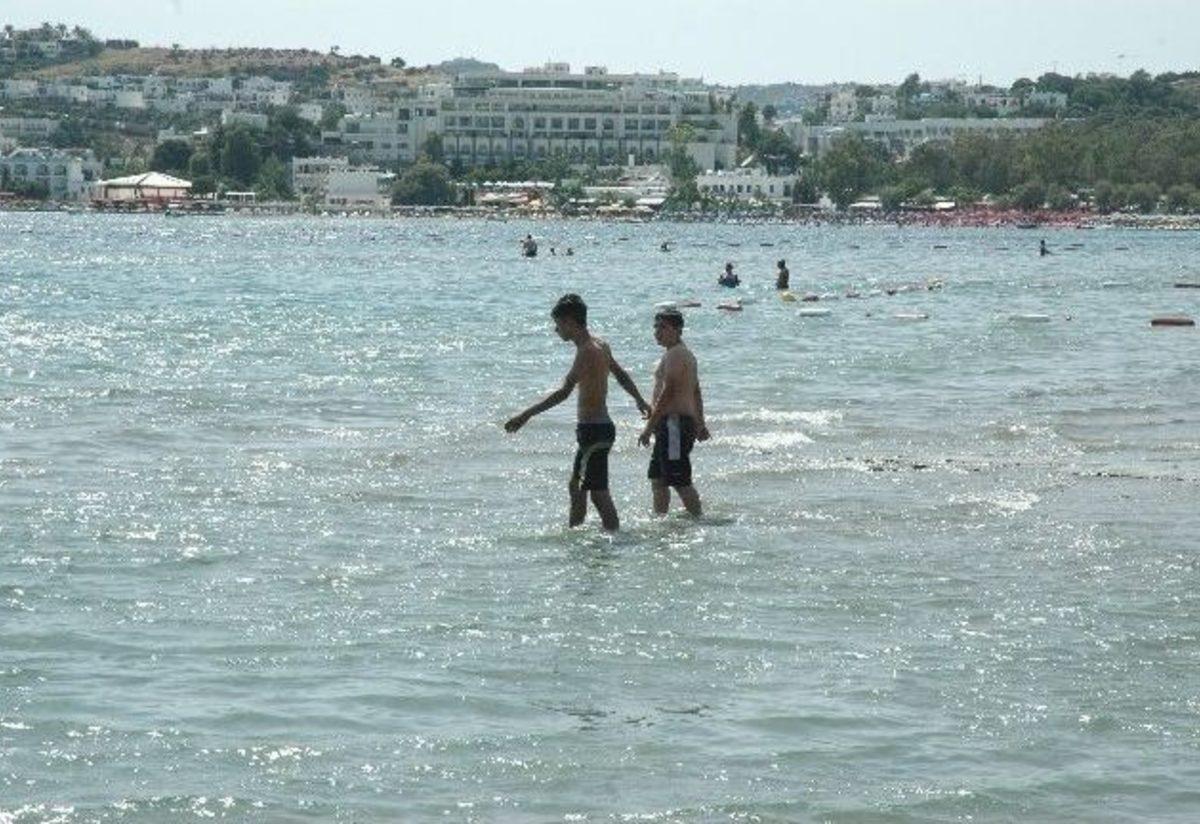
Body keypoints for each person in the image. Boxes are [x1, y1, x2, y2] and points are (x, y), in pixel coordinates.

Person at [506, 294, 651, 531]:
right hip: (598, 429)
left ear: (571, 322)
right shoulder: (601, 345)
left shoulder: (587, 351)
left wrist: (526, 415)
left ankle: (612, 539)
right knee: (578, 487)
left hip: (594, 431)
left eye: (558, 324)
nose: (556, 330)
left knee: (597, 493)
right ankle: (578, 534)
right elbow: (620, 375)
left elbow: (564, 392)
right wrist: (639, 399)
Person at [639, 308, 709, 517]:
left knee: (679, 480)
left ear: (678, 330)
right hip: (671, 424)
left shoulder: (676, 354)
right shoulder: (682, 354)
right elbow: (695, 392)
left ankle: (698, 519)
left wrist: (648, 427)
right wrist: (700, 423)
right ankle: (660, 520)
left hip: (674, 425)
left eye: (663, 327)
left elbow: (668, 392)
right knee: (658, 479)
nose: (657, 332)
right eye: (656, 327)